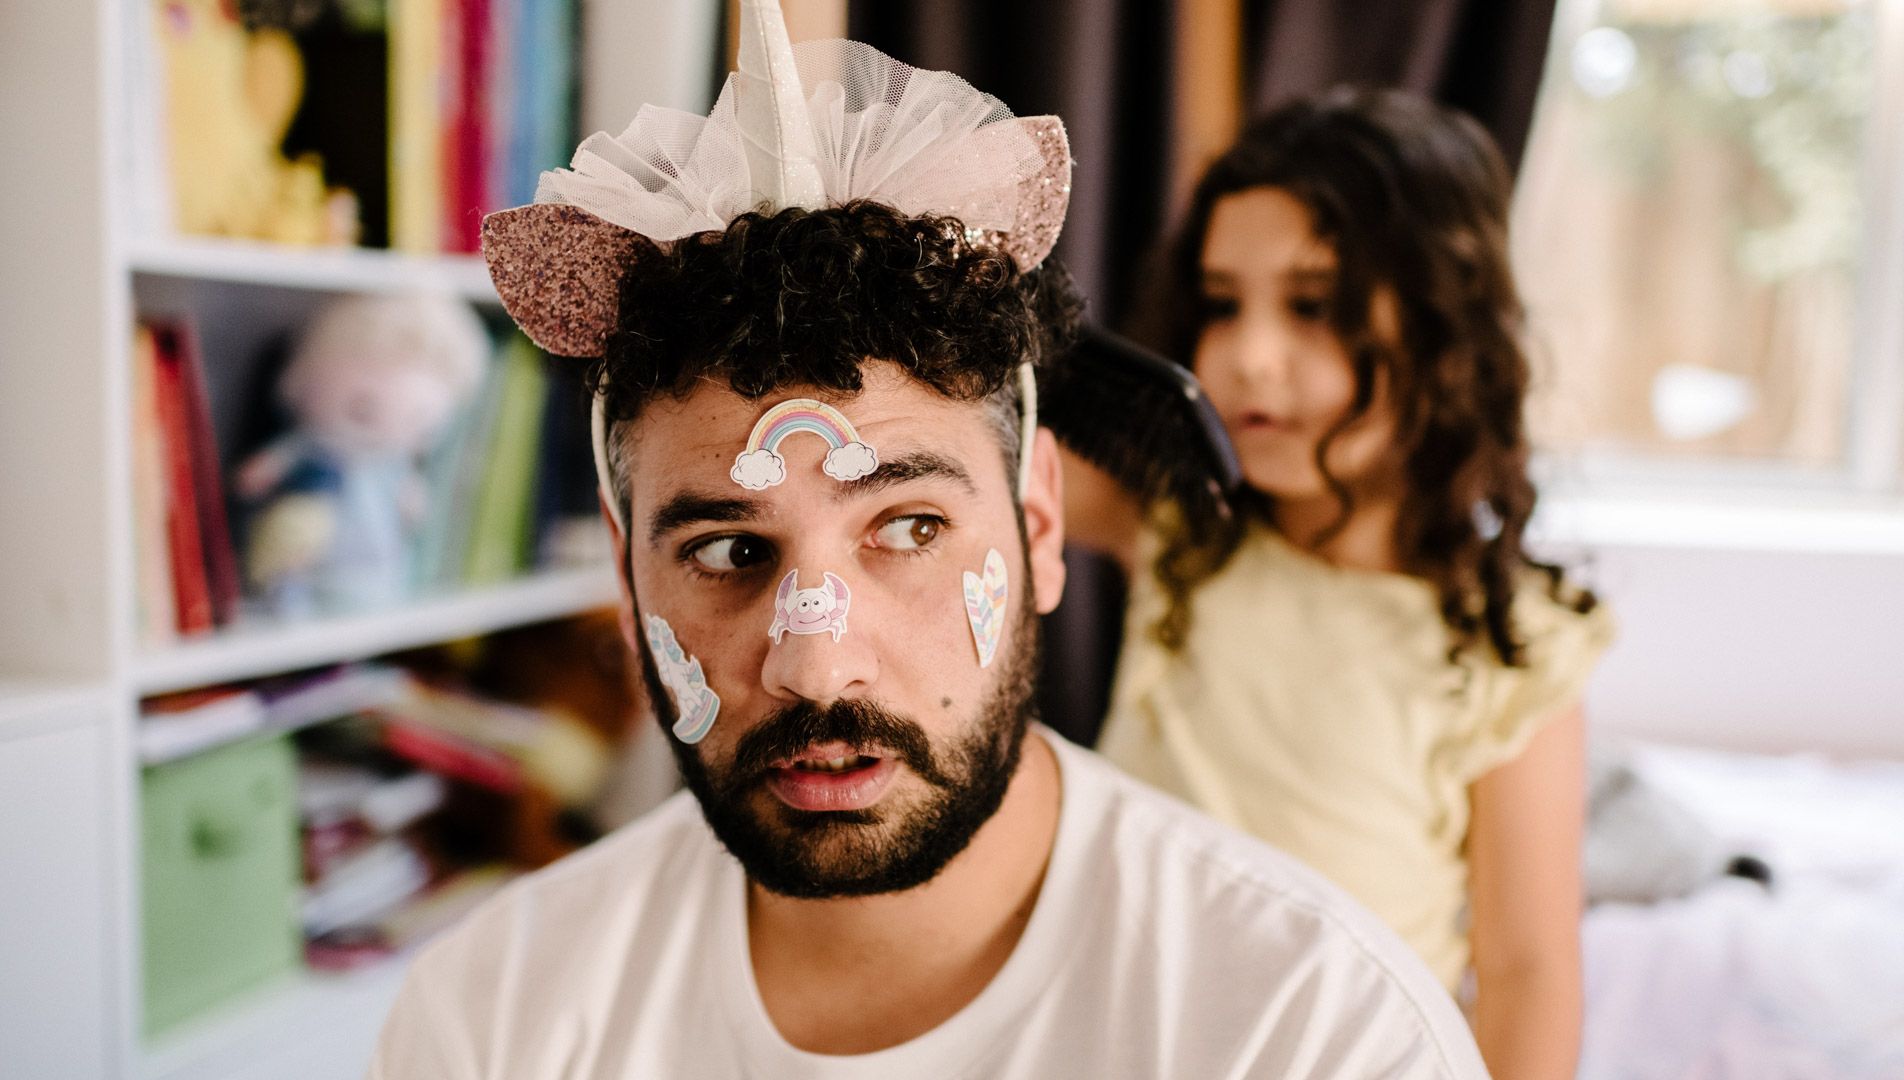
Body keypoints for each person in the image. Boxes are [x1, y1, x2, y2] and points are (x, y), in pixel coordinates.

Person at [368, 7, 1487, 1079]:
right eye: (727, 551)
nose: (815, 663)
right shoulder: (487, 1019)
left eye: (908, 528)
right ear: (625, 574)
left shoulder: (1313, 1032)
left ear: (1039, 526)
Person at [1066, 88, 1615, 1080]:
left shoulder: (1510, 646)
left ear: (1445, 335)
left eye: (1314, 307)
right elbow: (979, 452)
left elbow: (1529, 971)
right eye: (1222, 303)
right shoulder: (1180, 534)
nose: (1248, 356)